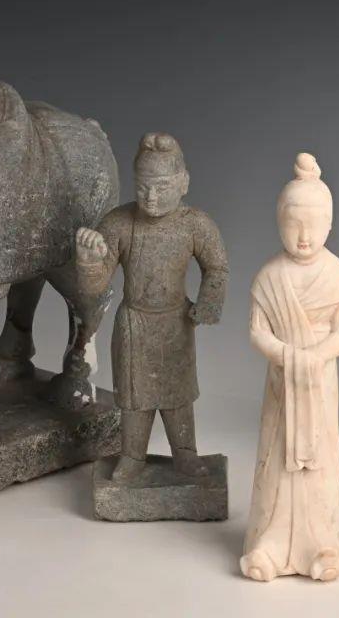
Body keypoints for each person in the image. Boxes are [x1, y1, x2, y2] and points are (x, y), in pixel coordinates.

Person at [75, 133, 228, 481]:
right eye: (143, 187)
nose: (151, 196)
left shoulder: (195, 225)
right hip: (134, 324)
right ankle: (132, 457)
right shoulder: (119, 223)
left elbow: (217, 267)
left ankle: (185, 456)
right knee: (133, 398)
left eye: (161, 187)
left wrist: (209, 303)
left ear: (183, 182)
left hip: (176, 322)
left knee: (178, 395)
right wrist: (88, 262)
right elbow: (95, 288)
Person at [241, 153, 339, 582]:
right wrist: (288, 357)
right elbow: (257, 332)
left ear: (329, 224)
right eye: (294, 224)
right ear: (279, 223)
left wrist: (315, 357)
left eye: (313, 225)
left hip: (319, 381)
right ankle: (268, 545)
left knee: (319, 464)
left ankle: (322, 544)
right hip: (282, 381)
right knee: (276, 463)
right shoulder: (270, 277)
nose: (304, 236)